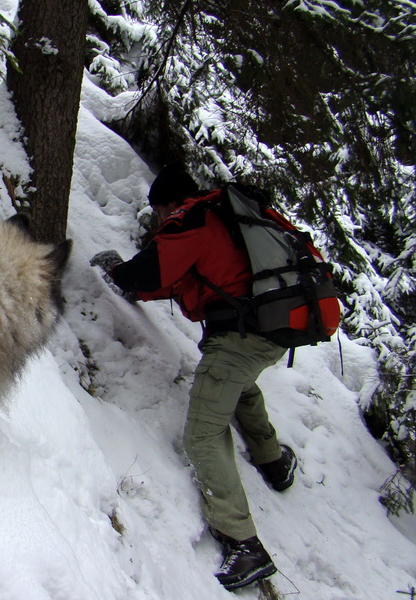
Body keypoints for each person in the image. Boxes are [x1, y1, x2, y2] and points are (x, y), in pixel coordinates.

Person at [91, 164, 298, 591]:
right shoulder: (224, 219)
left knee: (203, 435)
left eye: (159, 210)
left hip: (241, 338)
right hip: (278, 328)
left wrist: (116, 270)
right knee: (240, 383)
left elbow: (152, 272)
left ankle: (244, 543)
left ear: (169, 202)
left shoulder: (191, 219)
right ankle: (273, 461)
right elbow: (179, 280)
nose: (160, 219)